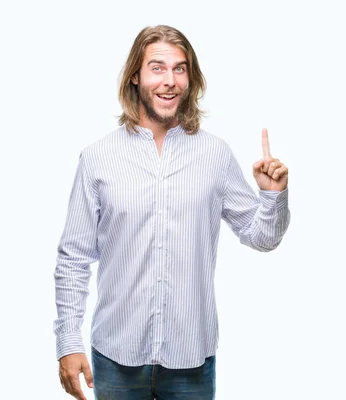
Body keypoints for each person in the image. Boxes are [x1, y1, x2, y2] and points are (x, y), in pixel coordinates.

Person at [53, 24, 291, 400]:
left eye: (180, 69)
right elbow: (74, 258)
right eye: (158, 68)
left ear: (190, 79)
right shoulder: (99, 157)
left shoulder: (214, 155)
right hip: (116, 358)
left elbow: (261, 237)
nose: (170, 81)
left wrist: (272, 197)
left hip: (191, 363)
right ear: (136, 76)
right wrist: (68, 342)